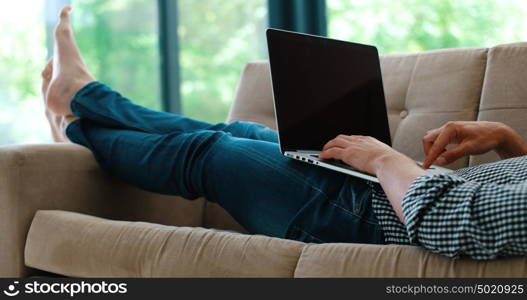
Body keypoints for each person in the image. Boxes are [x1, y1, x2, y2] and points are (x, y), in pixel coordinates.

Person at [43, 6, 527, 260]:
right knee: (238, 130)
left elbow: (444, 219)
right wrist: (509, 141)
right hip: (382, 196)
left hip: (373, 222)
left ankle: (77, 122)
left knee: (210, 153)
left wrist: (381, 159)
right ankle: (80, 104)